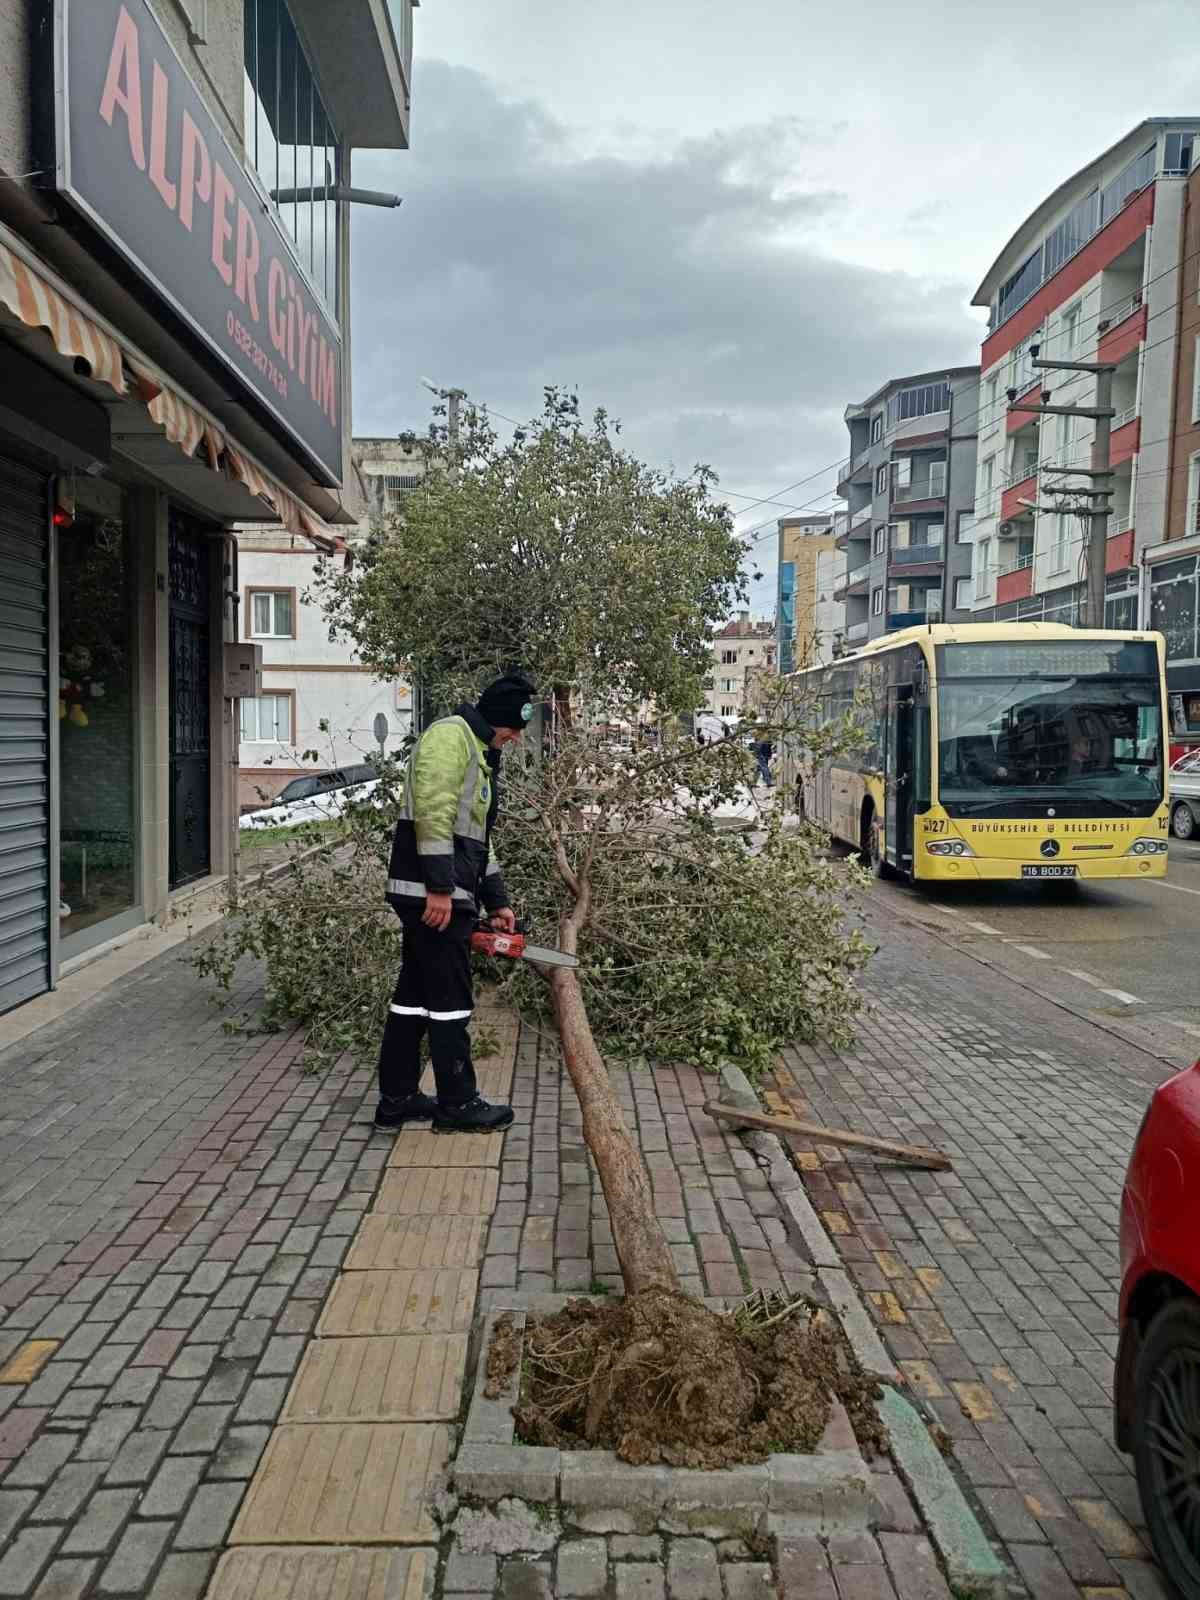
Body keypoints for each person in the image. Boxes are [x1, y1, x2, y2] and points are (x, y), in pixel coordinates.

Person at [373, 672, 536, 1133]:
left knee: (414, 998)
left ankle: (398, 1098)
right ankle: (457, 1104)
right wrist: (440, 889)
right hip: (434, 897)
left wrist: (498, 900)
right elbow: (433, 814)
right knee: (450, 1001)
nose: (515, 737)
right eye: (514, 728)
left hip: (440, 892)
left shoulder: (476, 752)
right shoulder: (451, 739)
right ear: (499, 718)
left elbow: (477, 840)